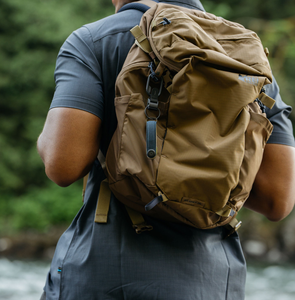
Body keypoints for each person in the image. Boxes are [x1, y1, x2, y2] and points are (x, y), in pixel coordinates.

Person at [37, 0, 295, 299]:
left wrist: (45, 138)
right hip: (210, 281)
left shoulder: (96, 40)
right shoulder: (245, 53)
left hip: (106, 275)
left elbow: (63, 165)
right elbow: (278, 199)